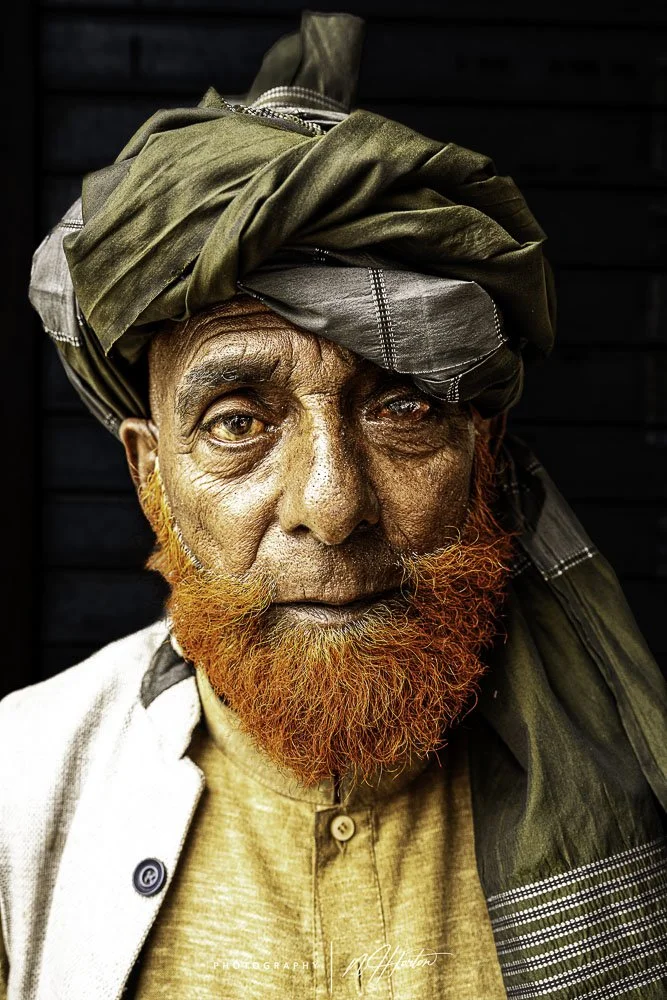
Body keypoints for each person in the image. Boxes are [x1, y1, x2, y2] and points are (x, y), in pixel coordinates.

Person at [2, 11, 666, 999]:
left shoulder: (636, 780)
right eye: (238, 421)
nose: (331, 505)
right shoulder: (19, 793)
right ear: (151, 475)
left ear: (483, 447)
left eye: (403, 405)